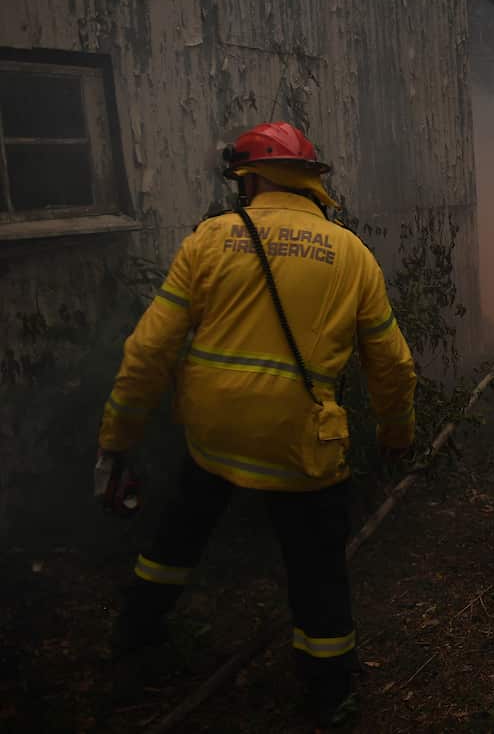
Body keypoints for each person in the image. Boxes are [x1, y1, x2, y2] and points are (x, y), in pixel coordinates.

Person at [96, 122, 416, 728]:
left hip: (212, 438)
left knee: (175, 541)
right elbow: (393, 368)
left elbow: (148, 350)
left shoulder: (210, 240)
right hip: (299, 449)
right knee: (318, 572)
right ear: (310, 181)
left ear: (251, 178)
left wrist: (116, 442)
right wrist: (398, 438)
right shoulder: (350, 254)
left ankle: (135, 637)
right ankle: (328, 692)